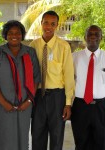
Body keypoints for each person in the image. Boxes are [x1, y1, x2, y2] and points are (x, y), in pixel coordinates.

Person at [0, 20, 41, 150]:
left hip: (25, 104)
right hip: (1, 105)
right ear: (5, 35)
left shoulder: (30, 52)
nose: (14, 35)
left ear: (22, 35)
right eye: (10, 33)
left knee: (22, 137)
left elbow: (36, 79)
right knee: (2, 137)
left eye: (17, 32)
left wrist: (28, 101)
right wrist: (4, 102)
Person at [30, 10, 75, 150]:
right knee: (37, 135)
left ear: (56, 26)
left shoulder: (64, 47)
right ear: (41, 23)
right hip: (38, 96)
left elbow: (68, 75)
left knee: (56, 137)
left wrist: (68, 104)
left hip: (57, 97)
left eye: (52, 24)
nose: (48, 27)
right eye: (46, 23)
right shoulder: (33, 46)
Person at [71, 25, 105, 150]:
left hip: (102, 108)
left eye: (96, 34)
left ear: (101, 38)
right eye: (90, 34)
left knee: (101, 144)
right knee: (81, 143)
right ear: (85, 37)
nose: (93, 37)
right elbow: (68, 83)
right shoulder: (74, 58)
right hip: (80, 107)